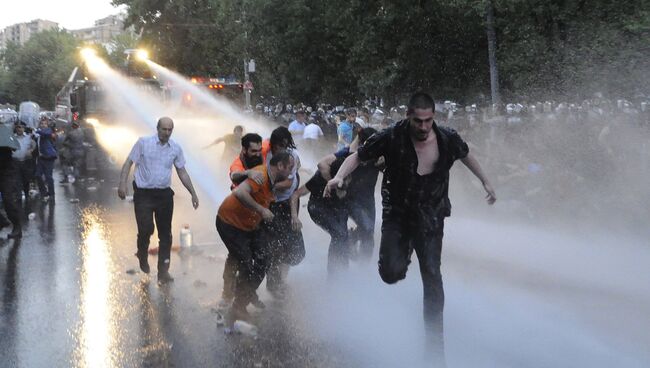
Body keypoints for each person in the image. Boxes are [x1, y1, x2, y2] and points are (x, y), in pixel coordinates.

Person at [324, 92, 496, 363]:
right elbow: (357, 156)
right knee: (390, 273)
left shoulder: (446, 137)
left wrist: (485, 182)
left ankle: (435, 350)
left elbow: (466, 155)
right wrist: (338, 177)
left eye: (428, 121)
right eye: (418, 121)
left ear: (433, 118)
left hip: (431, 216)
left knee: (432, 274)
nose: (424, 127)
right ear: (408, 116)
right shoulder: (391, 136)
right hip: (398, 215)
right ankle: (401, 256)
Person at [216, 150, 295, 324]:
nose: (291, 171)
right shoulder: (262, 175)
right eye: (290, 167)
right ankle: (237, 304)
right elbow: (239, 192)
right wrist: (261, 210)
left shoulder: (275, 180)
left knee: (265, 258)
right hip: (229, 222)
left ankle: (244, 295)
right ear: (280, 166)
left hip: (250, 226)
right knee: (245, 262)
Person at [118, 117, 200, 284]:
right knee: (146, 228)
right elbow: (128, 163)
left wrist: (193, 192)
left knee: (166, 235)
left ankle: (163, 271)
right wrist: (122, 184)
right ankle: (142, 254)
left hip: (164, 195)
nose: (167, 133)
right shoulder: (143, 143)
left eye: (170, 130)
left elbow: (181, 171)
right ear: (157, 128)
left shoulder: (175, 148)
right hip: (143, 194)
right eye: (164, 129)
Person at [318, 127, 380, 262]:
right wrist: (333, 183)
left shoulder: (376, 152)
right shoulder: (347, 153)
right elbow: (322, 164)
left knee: (369, 234)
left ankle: (364, 267)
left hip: (368, 198)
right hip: (352, 199)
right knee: (367, 228)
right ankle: (351, 242)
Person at [220, 132, 265, 308]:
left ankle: (247, 292)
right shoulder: (237, 164)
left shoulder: (261, 152)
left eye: (259, 150)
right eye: (253, 151)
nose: (257, 154)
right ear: (244, 149)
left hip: (257, 216)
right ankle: (227, 293)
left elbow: (271, 145)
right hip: (238, 218)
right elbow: (234, 175)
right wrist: (249, 173)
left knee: (260, 256)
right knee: (236, 257)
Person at [261, 127, 305, 297]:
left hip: (288, 202)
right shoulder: (266, 153)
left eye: (285, 146)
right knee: (274, 245)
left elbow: (288, 184)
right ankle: (275, 283)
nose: (282, 150)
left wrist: (270, 186)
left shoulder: (291, 156)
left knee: (294, 248)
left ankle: (281, 280)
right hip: (271, 204)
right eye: (279, 146)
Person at [291, 156, 349, 274]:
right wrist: (294, 217)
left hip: (337, 208)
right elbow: (296, 194)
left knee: (343, 235)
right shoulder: (320, 178)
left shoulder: (350, 173)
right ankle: (333, 274)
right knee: (338, 233)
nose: (348, 179)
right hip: (318, 208)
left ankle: (343, 269)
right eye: (345, 177)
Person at [0, 123, 22, 239]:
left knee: (8, 200)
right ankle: (2, 221)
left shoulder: (4, 132)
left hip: (6, 172)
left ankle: (17, 227)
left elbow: (14, 147)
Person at [34, 117, 57, 203]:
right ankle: (44, 192)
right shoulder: (39, 134)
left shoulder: (48, 131)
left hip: (49, 157)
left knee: (48, 176)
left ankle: (51, 194)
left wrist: (36, 131)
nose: (43, 125)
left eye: (44, 124)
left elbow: (46, 134)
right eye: (41, 124)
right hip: (41, 157)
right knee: (38, 175)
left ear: (47, 125)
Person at [12, 122, 36, 199]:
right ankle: (18, 196)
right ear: (16, 128)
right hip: (15, 162)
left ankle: (26, 194)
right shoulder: (12, 137)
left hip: (25, 162)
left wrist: (31, 150)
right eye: (18, 127)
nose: (19, 129)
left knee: (26, 180)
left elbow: (34, 145)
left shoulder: (28, 137)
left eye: (21, 127)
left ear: (24, 128)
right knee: (17, 180)